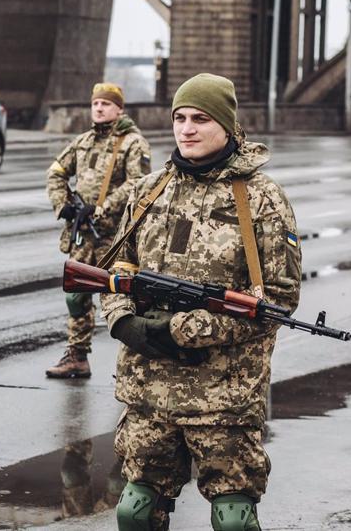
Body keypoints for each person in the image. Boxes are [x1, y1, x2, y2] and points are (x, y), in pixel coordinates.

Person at [100, 73, 302, 530]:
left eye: (201, 119)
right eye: (180, 118)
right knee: (134, 512)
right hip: (148, 388)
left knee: (233, 520)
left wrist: (178, 330)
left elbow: (277, 299)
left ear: (227, 127)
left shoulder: (261, 199)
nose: (187, 129)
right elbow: (113, 274)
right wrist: (122, 323)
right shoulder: (148, 191)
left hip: (223, 394)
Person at [45, 83, 152, 379]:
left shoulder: (133, 143)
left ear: (120, 109)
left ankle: (136, 363)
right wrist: (63, 205)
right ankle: (77, 357)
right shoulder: (83, 141)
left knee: (122, 300)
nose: (100, 108)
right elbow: (56, 172)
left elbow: (138, 185)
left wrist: (101, 208)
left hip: (115, 238)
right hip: (84, 233)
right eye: (96, 103)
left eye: (106, 103)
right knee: (76, 295)